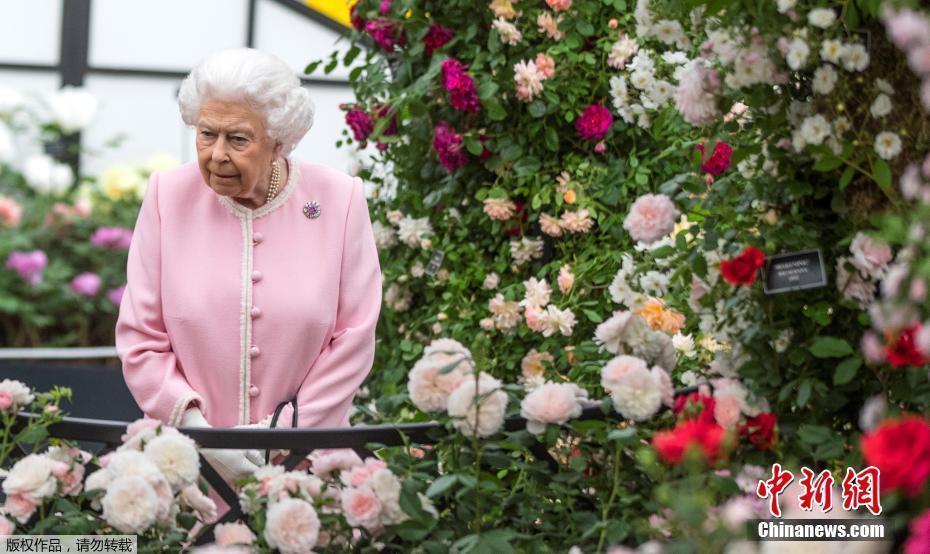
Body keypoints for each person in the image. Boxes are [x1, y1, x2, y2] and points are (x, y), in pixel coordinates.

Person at [115, 48, 382, 482]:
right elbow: (141, 338)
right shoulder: (167, 196)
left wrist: (279, 436)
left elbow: (353, 338)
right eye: (206, 134)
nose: (217, 154)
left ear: (280, 140)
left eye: (238, 139)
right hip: (188, 466)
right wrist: (199, 434)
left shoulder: (340, 200)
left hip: (306, 466)